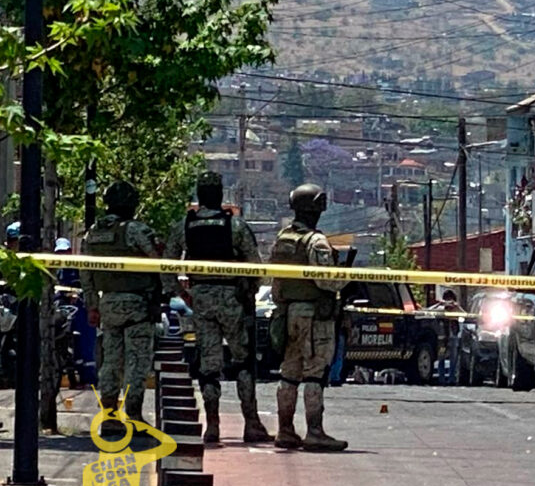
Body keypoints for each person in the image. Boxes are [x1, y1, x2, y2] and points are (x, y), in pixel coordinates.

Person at [162, 171, 272, 444]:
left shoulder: (184, 226)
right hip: (233, 299)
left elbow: (166, 267)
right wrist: (248, 293)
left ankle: (212, 425)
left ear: (199, 195)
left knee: (209, 366)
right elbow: (255, 266)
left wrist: (182, 294)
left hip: (201, 299)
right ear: (220, 194)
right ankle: (251, 423)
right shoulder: (235, 225)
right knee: (243, 361)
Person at [270, 184, 348, 451]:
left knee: (289, 373)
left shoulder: (283, 239)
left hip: (288, 312)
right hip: (314, 315)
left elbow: (276, 281)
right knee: (315, 373)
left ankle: (285, 430)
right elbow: (326, 281)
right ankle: (314, 431)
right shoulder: (316, 242)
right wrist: (346, 278)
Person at [81, 181, 162, 427]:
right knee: (137, 361)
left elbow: (86, 272)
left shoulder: (92, 233)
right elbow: (160, 262)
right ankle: (134, 415)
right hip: (137, 304)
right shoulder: (136, 230)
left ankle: (109, 416)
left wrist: (92, 305)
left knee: (111, 361)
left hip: (108, 304)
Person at [429, 290, 463, 385]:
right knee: (441, 357)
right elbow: (429, 311)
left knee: (453, 358)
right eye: (447, 300)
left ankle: (452, 378)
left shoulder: (456, 310)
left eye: (450, 300)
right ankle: (441, 378)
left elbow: (464, 314)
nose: (448, 303)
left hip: (453, 337)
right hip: (442, 338)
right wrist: (439, 304)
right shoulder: (441, 309)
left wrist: (456, 306)